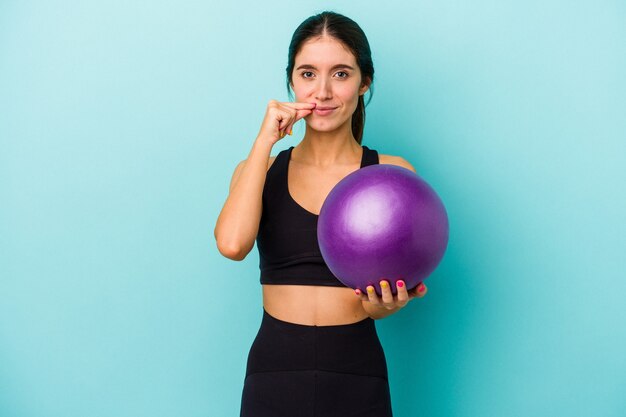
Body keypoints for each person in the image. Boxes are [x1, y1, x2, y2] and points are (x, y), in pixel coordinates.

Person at [214, 10, 428, 417]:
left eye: (341, 74)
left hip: (356, 370)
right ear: (291, 81)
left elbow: (381, 292)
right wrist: (264, 143)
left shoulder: (392, 176)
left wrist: (381, 307)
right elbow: (232, 244)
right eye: (308, 73)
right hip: (274, 370)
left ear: (365, 82)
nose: (324, 91)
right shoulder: (258, 169)